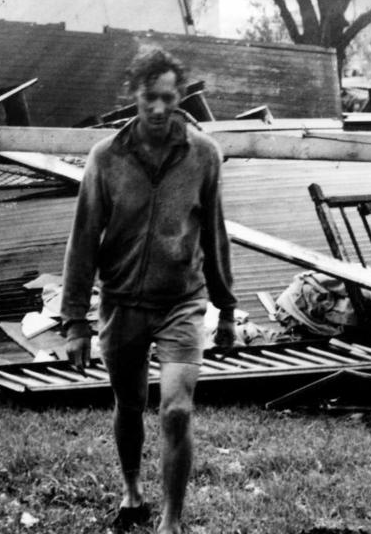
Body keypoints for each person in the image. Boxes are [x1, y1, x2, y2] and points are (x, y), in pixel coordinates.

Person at [61, 49, 237, 534]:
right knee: (130, 403)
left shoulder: (204, 154)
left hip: (181, 300)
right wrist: (75, 320)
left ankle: (171, 520)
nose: (158, 109)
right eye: (148, 98)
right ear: (133, 97)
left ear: (180, 97)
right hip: (120, 301)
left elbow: (215, 234)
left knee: (177, 409)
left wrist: (226, 310)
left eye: (167, 98)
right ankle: (133, 489)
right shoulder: (106, 157)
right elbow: (83, 238)